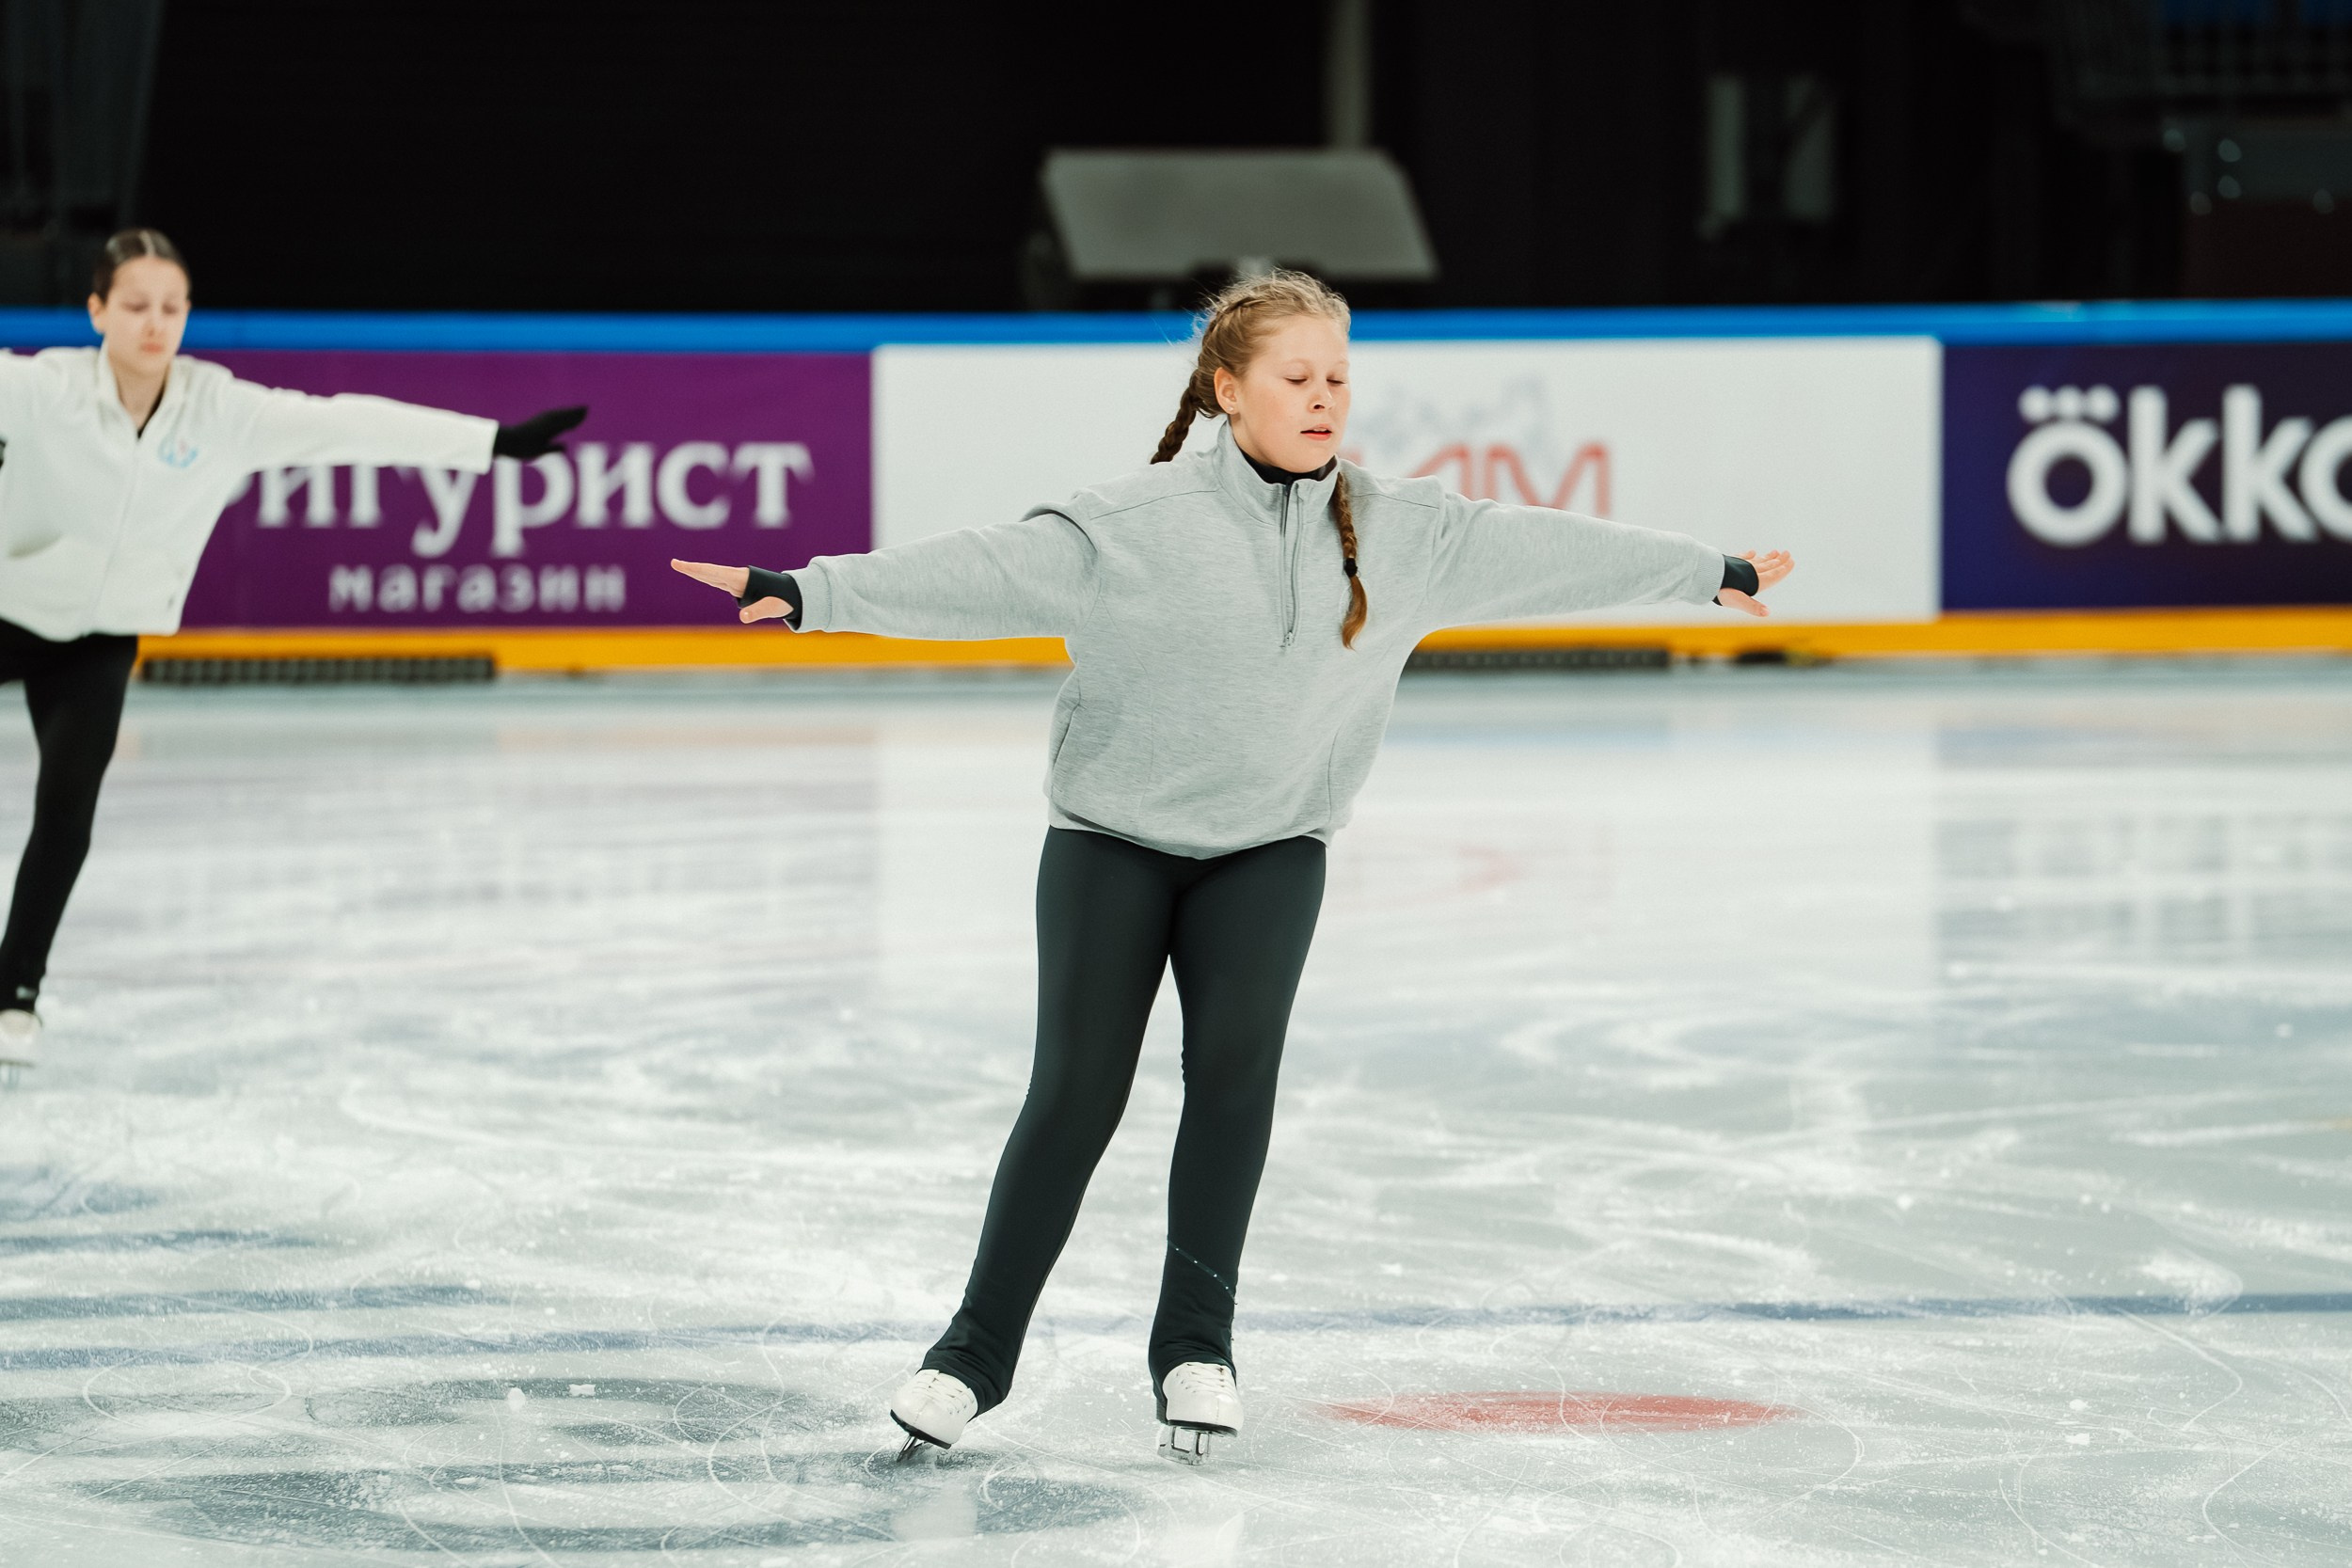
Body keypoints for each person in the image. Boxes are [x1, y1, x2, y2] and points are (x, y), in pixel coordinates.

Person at [673, 270, 1793, 1463]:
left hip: (1268, 851)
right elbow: (978, 571)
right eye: (1297, 379)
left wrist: (1702, 567)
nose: (1324, 401)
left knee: (1233, 1084)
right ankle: (972, 1354)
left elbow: (1550, 552)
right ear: (1227, 389)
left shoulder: (1408, 532)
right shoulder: (1127, 526)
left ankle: (1195, 1347)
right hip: (1110, 845)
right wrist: (811, 591)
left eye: (1338, 381)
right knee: (1075, 1092)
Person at [0, 229, 586, 1086]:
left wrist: (493, 443)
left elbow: (347, 423)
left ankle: (15, 991)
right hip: (10, 605)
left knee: (68, 813)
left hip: (101, 634)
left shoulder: (220, 409)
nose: (155, 323)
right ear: (97, 311)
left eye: (171, 306)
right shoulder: (39, 388)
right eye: (135, 306)